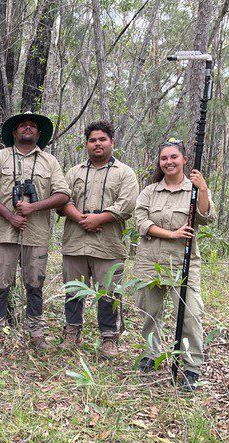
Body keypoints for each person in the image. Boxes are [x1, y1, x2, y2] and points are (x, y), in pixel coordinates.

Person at [0, 112, 70, 350]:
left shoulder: (50, 161)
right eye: (22, 125)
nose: (27, 128)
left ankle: (36, 333)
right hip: (3, 234)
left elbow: (63, 194)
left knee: (35, 284)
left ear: (39, 134)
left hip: (36, 234)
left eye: (32, 126)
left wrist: (33, 207)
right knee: (0, 284)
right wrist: (10, 216)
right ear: (14, 132)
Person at [133, 138, 215, 390]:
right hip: (150, 261)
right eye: (164, 158)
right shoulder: (150, 191)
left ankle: (191, 367)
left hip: (183, 263)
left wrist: (201, 190)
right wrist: (172, 234)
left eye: (173, 157)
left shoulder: (195, 189)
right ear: (160, 162)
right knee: (150, 313)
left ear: (184, 160)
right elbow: (141, 222)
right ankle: (151, 354)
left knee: (190, 315)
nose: (169, 162)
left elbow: (207, 217)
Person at [59, 121, 139, 358]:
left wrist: (99, 219)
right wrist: (82, 219)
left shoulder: (125, 173)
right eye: (93, 140)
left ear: (111, 142)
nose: (97, 144)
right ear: (86, 144)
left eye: (102, 139)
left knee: (109, 293)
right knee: (73, 290)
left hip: (108, 245)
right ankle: (72, 332)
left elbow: (127, 205)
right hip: (75, 242)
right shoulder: (74, 172)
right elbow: (62, 198)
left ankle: (109, 338)